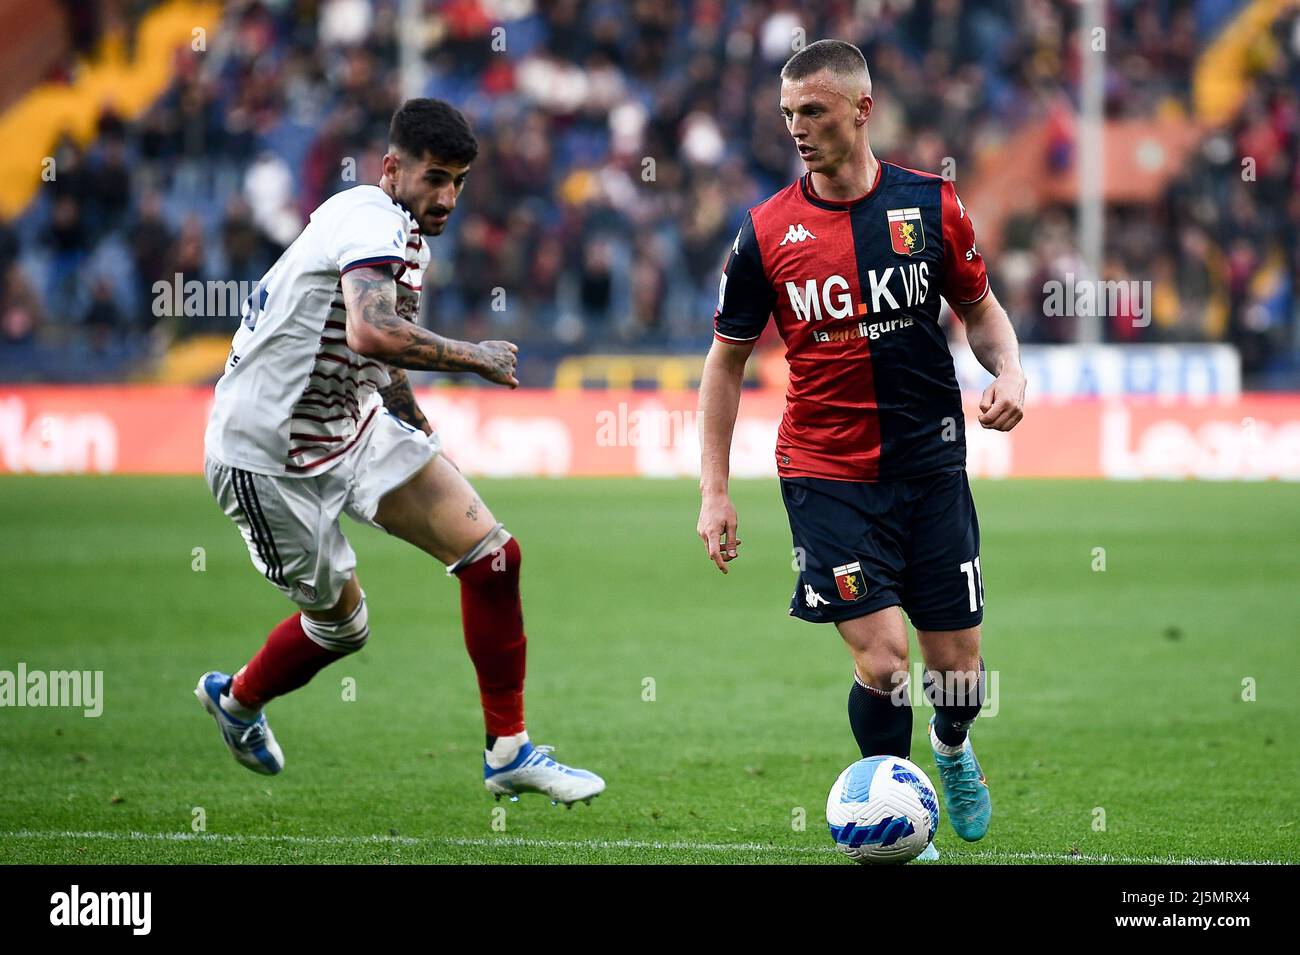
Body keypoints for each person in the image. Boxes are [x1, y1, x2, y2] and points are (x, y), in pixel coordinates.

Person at [197, 97, 604, 806]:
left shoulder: (402, 234)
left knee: (493, 556)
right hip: (268, 454)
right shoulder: (369, 218)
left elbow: (375, 361)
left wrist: (416, 427)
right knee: (342, 626)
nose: (447, 196)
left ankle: (508, 752)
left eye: (459, 182)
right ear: (393, 169)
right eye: (435, 178)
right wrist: (473, 355)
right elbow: (372, 332)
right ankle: (236, 701)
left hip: (350, 424)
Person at [695, 40, 1025, 853]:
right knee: (883, 662)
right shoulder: (765, 233)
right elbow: (725, 363)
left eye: (813, 111)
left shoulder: (931, 205)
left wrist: (1010, 369)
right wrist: (713, 490)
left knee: (958, 673)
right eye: (787, 115)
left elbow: (980, 310)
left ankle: (949, 746)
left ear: (861, 109)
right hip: (826, 473)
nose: (797, 129)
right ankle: (898, 824)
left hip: (930, 466)